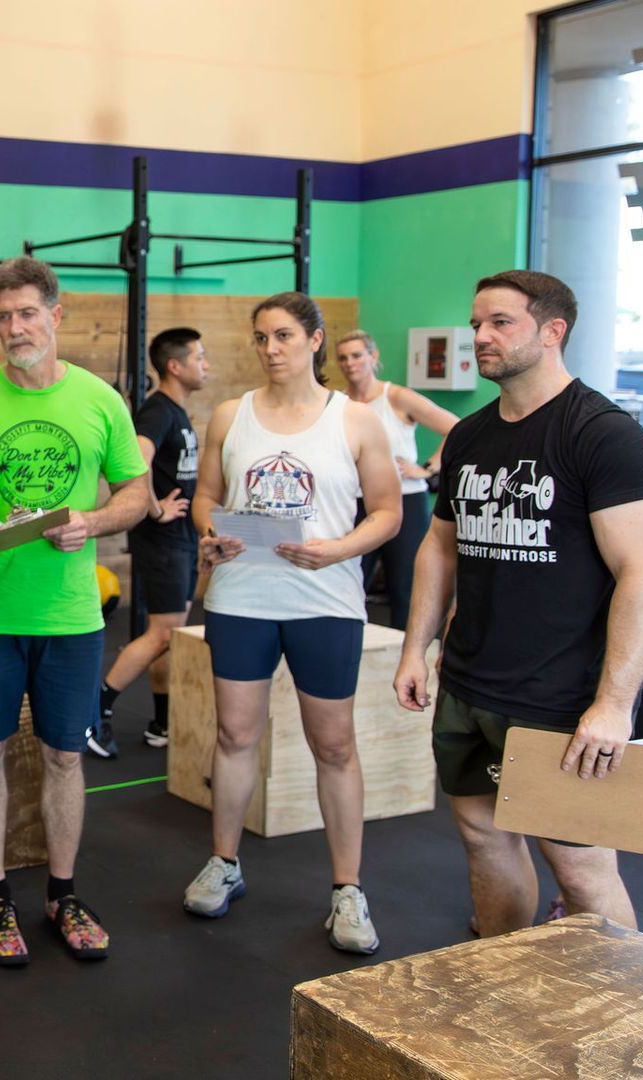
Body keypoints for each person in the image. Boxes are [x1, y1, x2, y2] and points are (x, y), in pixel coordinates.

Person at [393, 270, 643, 939]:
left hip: (561, 695)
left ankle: (621, 1021)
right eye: (477, 322)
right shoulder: (469, 437)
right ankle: (500, 979)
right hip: (470, 683)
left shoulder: (605, 436)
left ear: (553, 331)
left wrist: (612, 704)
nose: (480, 337)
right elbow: (440, 548)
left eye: (500, 323)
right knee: (484, 838)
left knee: (579, 866)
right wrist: (415, 648)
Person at [0, 255, 152, 966]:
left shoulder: (99, 401)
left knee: (63, 755)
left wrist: (91, 521)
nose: (15, 328)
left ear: (56, 316)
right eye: (3, 317)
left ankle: (62, 892)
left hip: (71, 618)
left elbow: (136, 495)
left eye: (27, 314)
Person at [185, 291, 401, 954]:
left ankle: (347, 889)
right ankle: (224, 863)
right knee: (234, 734)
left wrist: (334, 549)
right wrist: (209, 536)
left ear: (314, 340)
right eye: (260, 338)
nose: (270, 349)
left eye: (283, 336)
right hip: (243, 596)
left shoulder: (358, 421)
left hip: (325, 600)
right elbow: (207, 498)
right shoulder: (231, 414)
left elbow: (387, 512)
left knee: (334, 745)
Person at [94, 326, 211, 755]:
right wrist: (158, 509)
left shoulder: (177, 411)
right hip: (162, 540)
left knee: (171, 633)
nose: (206, 365)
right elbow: (136, 462)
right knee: (162, 634)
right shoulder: (158, 412)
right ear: (176, 366)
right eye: (200, 358)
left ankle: (163, 720)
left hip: (178, 540)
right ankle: (98, 708)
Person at [334, 330, 459, 629]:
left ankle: (410, 655)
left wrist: (427, 469)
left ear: (373, 357)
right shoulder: (339, 403)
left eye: (357, 355)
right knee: (350, 580)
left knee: (405, 585)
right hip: (358, 503)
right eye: (343, 357)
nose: (350, 363)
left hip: (405, 500)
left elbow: (457, 427)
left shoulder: (398, 397)